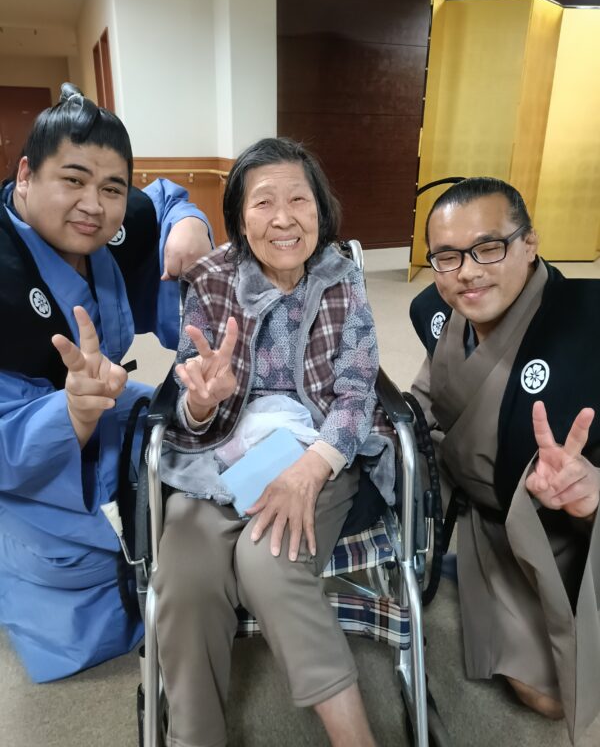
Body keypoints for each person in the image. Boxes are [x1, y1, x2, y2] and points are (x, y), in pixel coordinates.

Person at [155, 137, 396, 747]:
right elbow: (189, 396)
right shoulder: (211, 280)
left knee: (268, 559)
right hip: (220, 454)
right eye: (264, 203)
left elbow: (357, 391)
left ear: (321, 208)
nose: (284, 218)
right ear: (239, 219)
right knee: (184, 572)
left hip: (317, 447)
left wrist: (310, 470)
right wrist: (204, 401)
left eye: (299, 200)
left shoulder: (341, 277)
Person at [0, 83, 213, 682]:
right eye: (73, 180)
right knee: (95, 557)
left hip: (106, 394)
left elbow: (162, 201)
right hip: (31, 447)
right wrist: (70, 413)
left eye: (111, 187)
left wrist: (189, 223)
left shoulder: (120, 220)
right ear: (25, 175)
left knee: (199, 430)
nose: (93, 205)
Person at [409, 177, 600, 743]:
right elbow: (433, 395)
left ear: (530, 243)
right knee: (541, 694)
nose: (467, 272)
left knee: (556, 696)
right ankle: (461, 565)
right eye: (447, 257)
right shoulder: (436, 312)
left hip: (550, 529)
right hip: (478, 516)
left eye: (488, 248)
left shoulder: (587, 325)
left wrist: (589, 491)